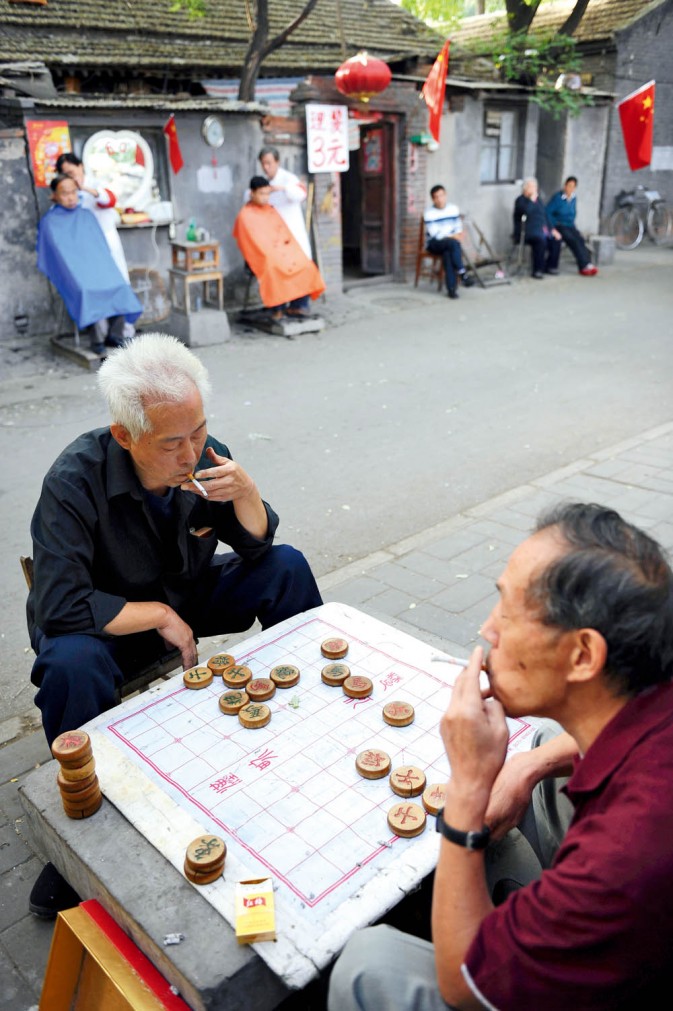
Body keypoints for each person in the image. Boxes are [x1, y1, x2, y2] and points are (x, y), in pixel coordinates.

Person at [328, 502, 673, 1010]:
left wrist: (467, 790)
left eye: (508, 614)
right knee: (539, 748)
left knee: (370, 964)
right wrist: (525, 766)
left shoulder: (625, 853)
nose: (488, 630)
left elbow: (463, 987)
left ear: (582, 655)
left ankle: (521, 929)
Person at [27, 332, 323, 915]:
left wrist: (248, 493)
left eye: (199, 430)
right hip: (108, 628)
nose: (191, 454)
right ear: (125, 435)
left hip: (185, 593)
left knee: (287, 567)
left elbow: (259, 547)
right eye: (172, 443)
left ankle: (312, 723)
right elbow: (58, 605)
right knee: (68, 663)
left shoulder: (205, 456)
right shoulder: (73, 482)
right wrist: (159, 616)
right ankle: (81, 835)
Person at [37, 175, 141, 355]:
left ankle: (114, 335)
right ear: (54, 196)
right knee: (88, 292)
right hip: (74, 273)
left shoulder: (86, 215)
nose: (70, 197)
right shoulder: (50, 222)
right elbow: (57, 257)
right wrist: (76, 272)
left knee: (119, 286)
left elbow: (100, 247)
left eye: (73, 192)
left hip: (98, 267)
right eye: (64, 193)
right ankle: (97, 340)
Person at [233, 176, 325, 322]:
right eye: (262, 194)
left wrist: (286, 250)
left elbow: (282, 233)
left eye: (267, 194)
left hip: (279, 251)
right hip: (262, 256)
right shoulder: (245, 216)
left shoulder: (270, 210)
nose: (265, 198)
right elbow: (252, 244)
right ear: (252, 193)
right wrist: (274, 253)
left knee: (305, 264)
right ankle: (277, 309)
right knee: (274, 268)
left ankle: (299, 305)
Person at [56, 151, 130, 282]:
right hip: (84, 243)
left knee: (115, 277)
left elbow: (110, 200)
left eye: (71, 173)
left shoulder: (96, 184)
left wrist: (84, 188)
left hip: (105, 238)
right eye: (65, 175)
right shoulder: (66, 193)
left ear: (81, 166)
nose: (70, 177)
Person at [259, 145, 312, 261]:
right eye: (263, 164)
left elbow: (302, 193)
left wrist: (283, 188)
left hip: (292, 233)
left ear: (277, 162)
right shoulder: (263, 182)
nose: (266, 167)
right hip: (275, 237)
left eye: (269, 163)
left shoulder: (289, 179)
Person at [423, 185, 476, 299]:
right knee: (452, 244)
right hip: (434, 243)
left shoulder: (453, 209)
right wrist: (453, 236)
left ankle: (452, 289)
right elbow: (436, 234)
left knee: (448, 253)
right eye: (436, 197)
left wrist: (456, 235)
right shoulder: (429, 213)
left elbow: (458, 227)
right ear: (433, 199)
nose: (439, 199)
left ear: (445, 195)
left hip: (450, 243)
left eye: (441, 196)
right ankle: (462, 274)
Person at [547, 175, 599, 276]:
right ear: (565, 186)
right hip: (560, 225)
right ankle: (583, 266)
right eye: (569, 186)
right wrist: (553, 225)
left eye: (573, 186)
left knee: (580, 239)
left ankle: (587, 264)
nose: (570, 189)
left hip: (570, 225)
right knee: (573, 240)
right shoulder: (558, 198)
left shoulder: (574, 198)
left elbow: (573, 213)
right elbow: (548, 212)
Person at [513, 177, 562, 279]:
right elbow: (526, 211)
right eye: (531, 187)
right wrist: (531, 200)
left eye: (535, 186)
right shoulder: (520, 200)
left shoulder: (538, 200)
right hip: (526, 232)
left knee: (556, 239)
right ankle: (537, 270)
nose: (534, 189)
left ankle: (550, 266)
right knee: (540, 241)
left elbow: (545, 216)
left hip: (541, 230)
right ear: (525, 189)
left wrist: (552, 229)